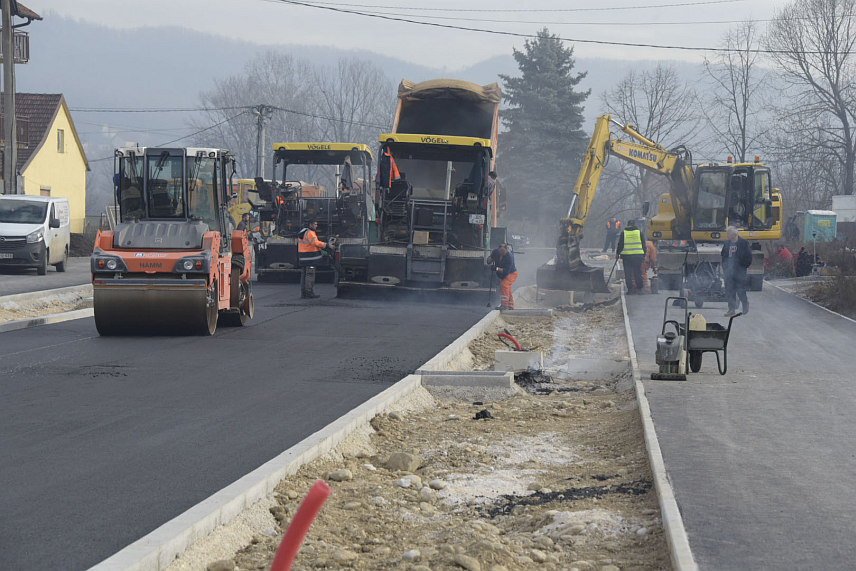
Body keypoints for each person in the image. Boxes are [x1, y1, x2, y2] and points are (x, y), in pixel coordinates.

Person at [721, 225, 752, 316]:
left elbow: (748, 257)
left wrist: (743, 266)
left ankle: (745, 304)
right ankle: (731, 309)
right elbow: (723, 255)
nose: (727, 235)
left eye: (728, 233)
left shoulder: (743, 243)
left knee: (740, 289)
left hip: (740, 271)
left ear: (734, 234)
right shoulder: (727, 243)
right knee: (730, 290)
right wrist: (725, 267)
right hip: (729, 271)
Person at [297, 219, 333, 299]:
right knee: (310, 275)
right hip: (310, 259)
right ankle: (309, 292)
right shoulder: (310, 233)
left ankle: (303, 292)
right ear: (310, 225)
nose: (316, 226)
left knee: (304, 275)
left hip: (303, 258)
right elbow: (315, 243)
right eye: (315, 224)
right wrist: (327, 245)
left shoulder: (303, 232)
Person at [616, 220, 646, 294]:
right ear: (634, 224)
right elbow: (643, 245)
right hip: (638, 256)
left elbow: (620, 244)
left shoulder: (624, 233)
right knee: (638, 272)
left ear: (628, 225)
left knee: (628, 273)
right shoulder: (639, 233)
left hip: (627, 256)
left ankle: (630, 290)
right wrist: (643, 255)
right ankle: (640, 289)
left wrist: (617, 253)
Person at [487, 242, 518, 310]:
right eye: (500, 251)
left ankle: (504, 305)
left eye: (503, 251)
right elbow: (490, 260)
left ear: (506, 249)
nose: (501, 253)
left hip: (512, 274)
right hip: (504, 274)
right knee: (507, 290)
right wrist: (489, 259)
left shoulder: (509, 257)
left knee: (504, 285)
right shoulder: (496, 252)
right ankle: (511, 307)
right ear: (498, 249)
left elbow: (506, 271)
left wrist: (496, 268)